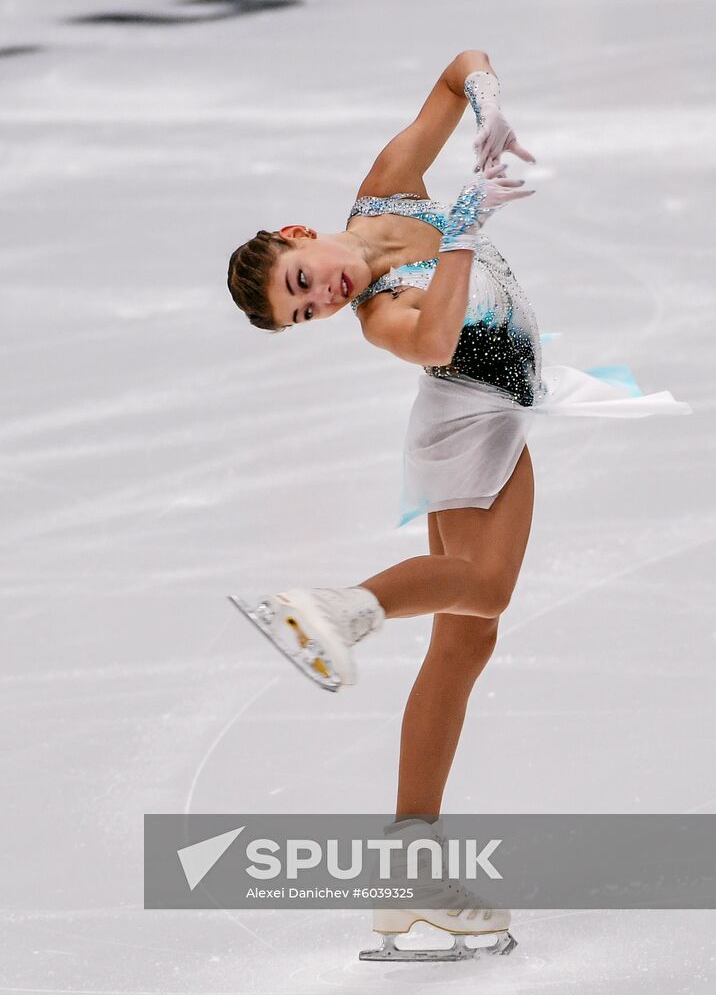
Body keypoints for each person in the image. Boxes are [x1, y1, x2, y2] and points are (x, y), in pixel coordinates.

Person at [226, 51, 690, 960]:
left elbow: (455, 70)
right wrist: (468, 225)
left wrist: (487, 110)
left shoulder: (385, 191)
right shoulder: (382, 315)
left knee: (466, 636)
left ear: (297, 233)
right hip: (467, 421)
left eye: (300, 284)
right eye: (306, 315)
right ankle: (335, 609)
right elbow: (436, 335)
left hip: (497, 411)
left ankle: (409, 869)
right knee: (485, 591)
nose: (323, 300)